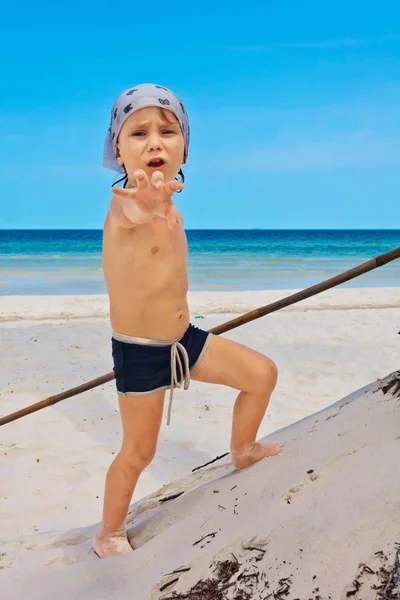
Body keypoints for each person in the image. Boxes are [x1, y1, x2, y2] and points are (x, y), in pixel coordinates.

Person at [94, 83, 284, 558]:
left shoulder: (173, 209)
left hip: (184, 339)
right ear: (118, 150)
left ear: (185, 147)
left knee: (262, 375)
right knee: (139, 453)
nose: (155, 141)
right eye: (138, 133)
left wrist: (162, 201)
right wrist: (146, 197)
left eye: (168, 130)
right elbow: (136, 209)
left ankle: (243, 450)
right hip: (140, 352)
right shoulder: (123, 207)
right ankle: (108, 533)